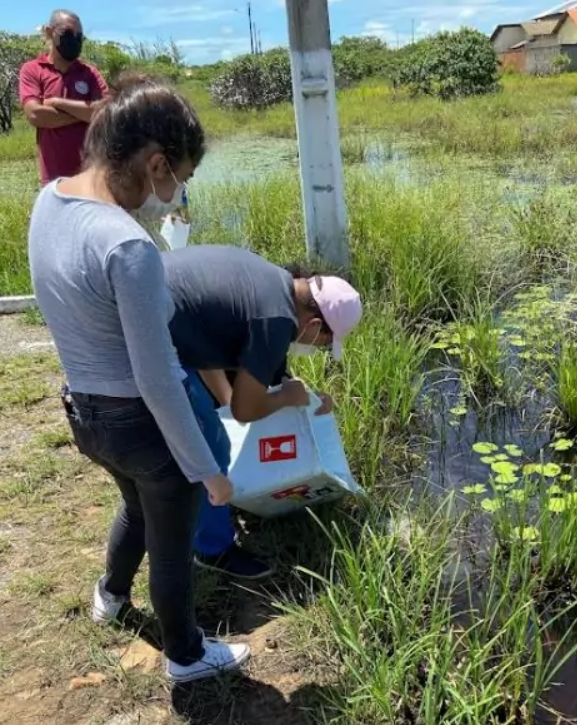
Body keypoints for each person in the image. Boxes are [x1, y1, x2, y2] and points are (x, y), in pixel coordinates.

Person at [27, 74, 251, 684]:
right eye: (179, 177)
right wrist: (208, 470)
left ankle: (111, 595)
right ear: (156, 163)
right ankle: (186, 654)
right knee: (172, 540)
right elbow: (158, 379)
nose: (174, 195)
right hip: (138, 421)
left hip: (83, 413)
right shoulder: (128, 246)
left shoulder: (50, 200)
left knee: (134, 506)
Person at [162, 246, 363, 578]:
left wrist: (305, 398)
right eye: (323, 344)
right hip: (148, 336)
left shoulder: (276, 285)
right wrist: (283, 398)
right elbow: (245, 409)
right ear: (314, 325)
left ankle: (206, 511)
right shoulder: (277, 320)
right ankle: (212, 549)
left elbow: (219, 353)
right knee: (211, 446)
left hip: (163, 318)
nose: (317, 349)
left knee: (210, 422)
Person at [19, 9, 108, 186]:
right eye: (67, 33)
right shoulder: (33, 70)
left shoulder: (89, 73)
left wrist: (58, 103)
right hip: (54, 180)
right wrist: (85, 115)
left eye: (79, 36)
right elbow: (36, 115)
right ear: (50, 33)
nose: (74, 40)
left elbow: (105, 113)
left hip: (91, 177)